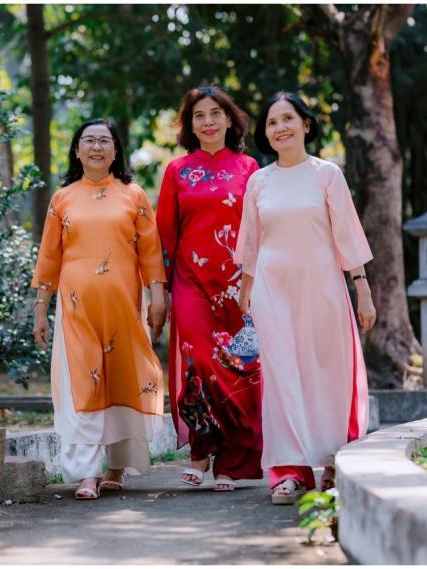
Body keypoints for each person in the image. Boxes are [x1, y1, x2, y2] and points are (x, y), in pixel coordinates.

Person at [236, 91, 376, 505]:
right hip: (272, 290)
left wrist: (362, 288)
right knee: (281, 377)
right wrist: (245, 292)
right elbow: (250, 244)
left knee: (328, 372)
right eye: (271, 122)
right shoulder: (259, 181)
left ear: (306, 124)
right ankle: (289, 472)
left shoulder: (326, 174)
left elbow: (347, 234)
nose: (280, 127)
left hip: (323, 287)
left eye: (287, 119)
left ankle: (333, 463)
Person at [31, 118, 168, 500]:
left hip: (125, 308)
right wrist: (41, 309)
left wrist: (158, 297)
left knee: (122, 380)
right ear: (76, 151)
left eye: (104, 141)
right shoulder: (62, 199)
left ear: (115, 150)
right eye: (88, 141)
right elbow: (49, 259)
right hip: (76, 310)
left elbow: (151, 253)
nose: (96, 147)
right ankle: (86, 473)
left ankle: (116, 467)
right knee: (83, 384)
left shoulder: (133, 195)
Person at [156, 86, 263, 492]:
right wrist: (160, 291)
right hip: (190, 283)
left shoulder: (249, 168)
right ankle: (201, 450)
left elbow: (259, 229)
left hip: (240, 285)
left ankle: (231, 463)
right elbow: (165, 235)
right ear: (190, 124)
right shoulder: (178, 171)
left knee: (240, 367)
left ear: (230, 119)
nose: (208, 122)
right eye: (199, 115)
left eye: (216, 113)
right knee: (198, 362)